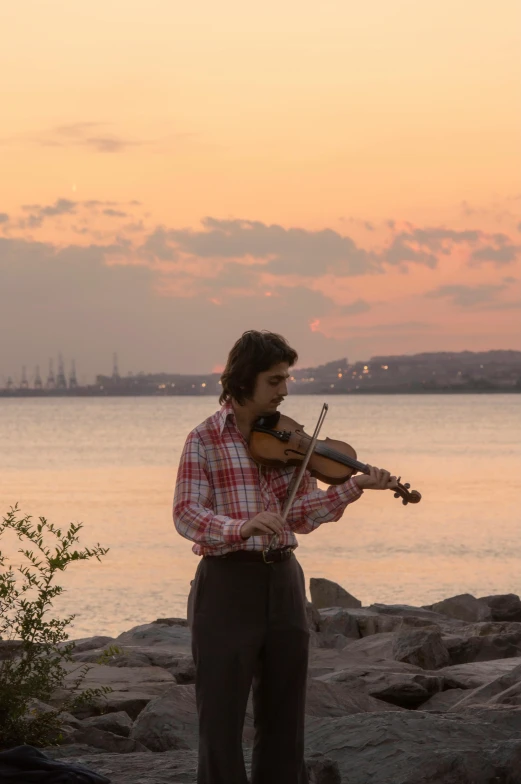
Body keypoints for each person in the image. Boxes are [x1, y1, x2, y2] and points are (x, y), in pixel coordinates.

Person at [173, 330, 399, 784]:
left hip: (283, 582)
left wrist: (352, 487)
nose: (285, 390)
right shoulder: (203, 440)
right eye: (275, 381)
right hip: (225, 583)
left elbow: (297, 515)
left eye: (286, 379)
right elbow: (186, 514)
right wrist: (242, 526)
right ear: (242, 382)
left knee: (284, 714)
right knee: (220, 716)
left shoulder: (286, 441)